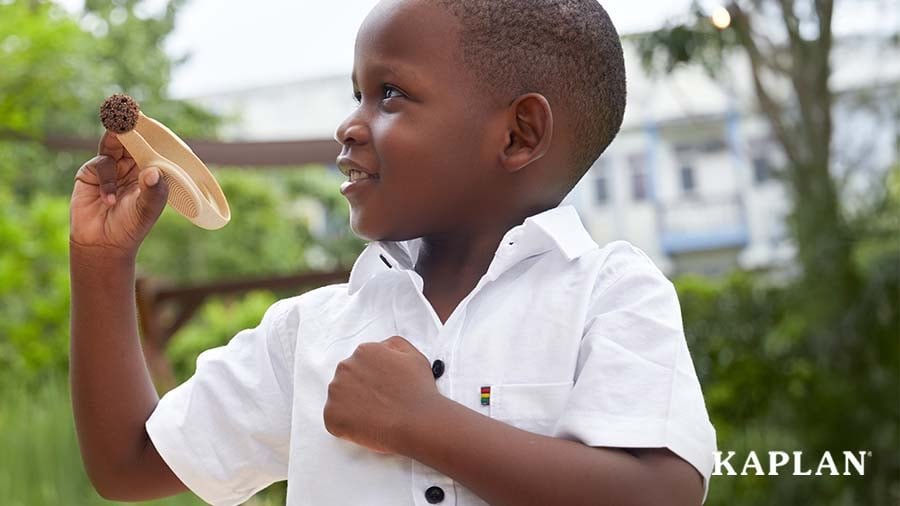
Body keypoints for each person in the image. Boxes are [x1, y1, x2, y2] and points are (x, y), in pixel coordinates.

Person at [69, 0, 717, 504]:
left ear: (519, 133)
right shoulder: (311, 334)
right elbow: (127, 463)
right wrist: (103, 262)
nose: (350, 125)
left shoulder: (610, 295)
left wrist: (422, 423)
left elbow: (657, 494)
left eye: (390, 96)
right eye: (358, 94)